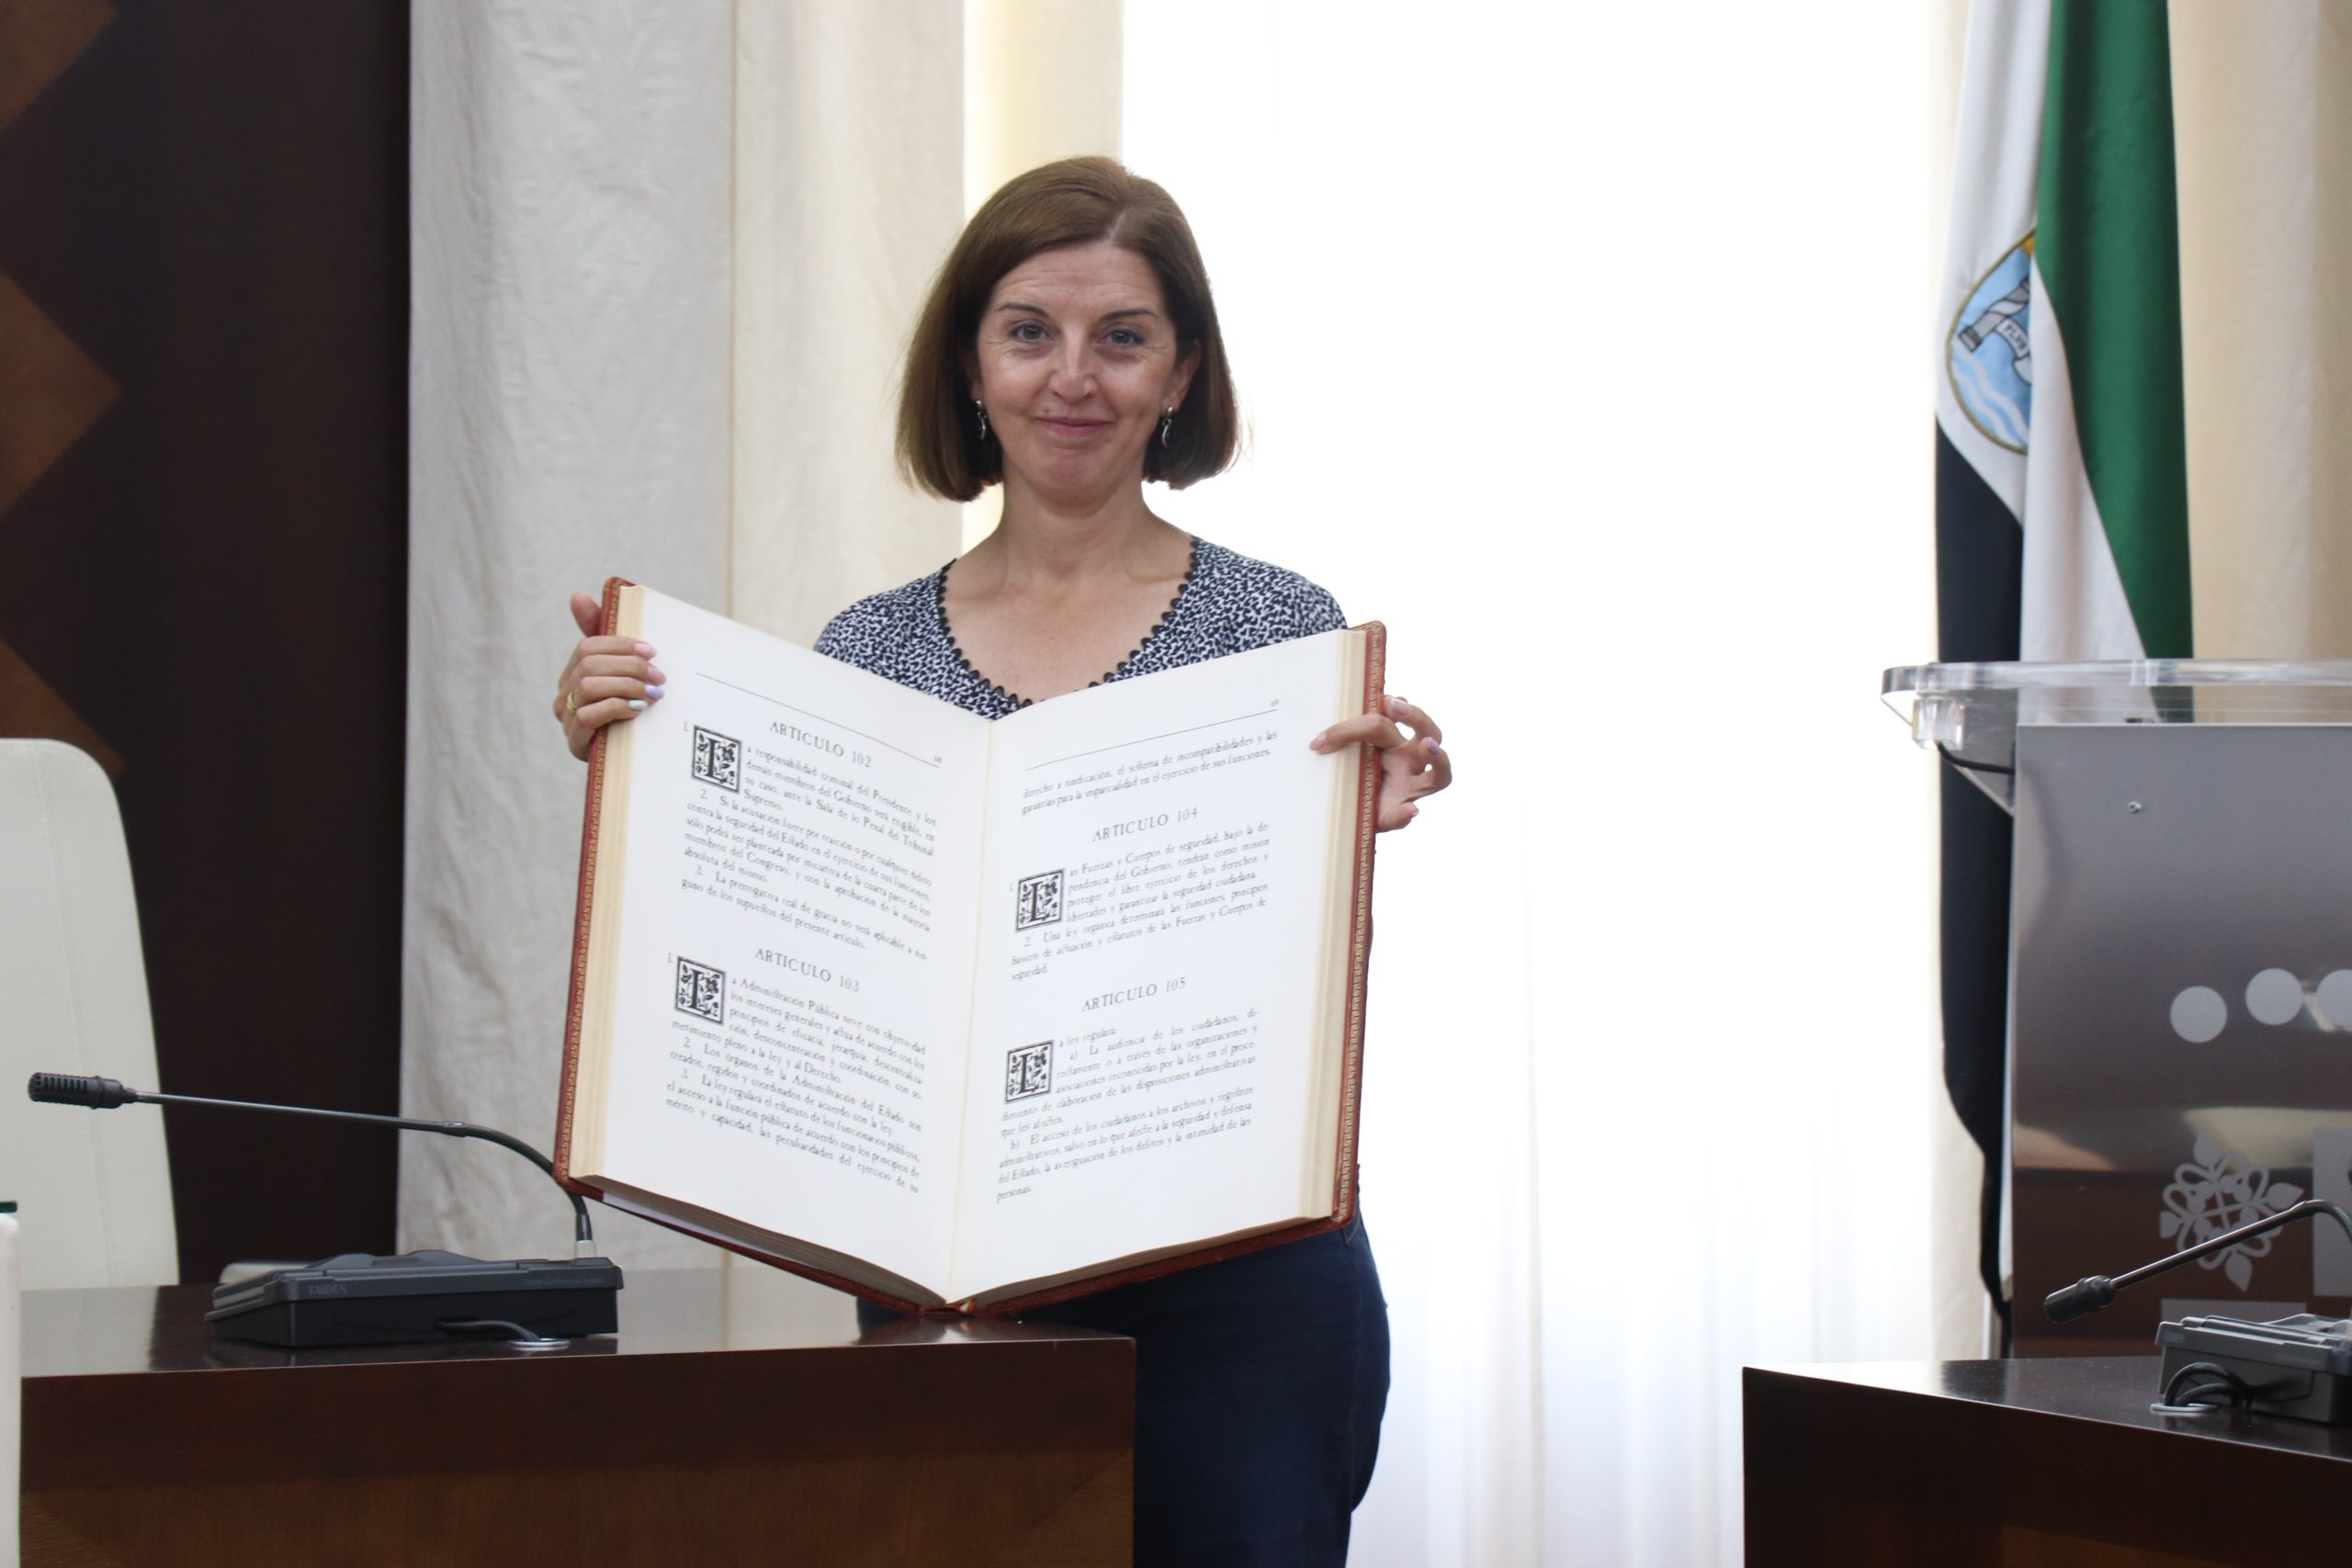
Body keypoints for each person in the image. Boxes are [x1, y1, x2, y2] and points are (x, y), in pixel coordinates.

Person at [554, 156, 1453, 1567]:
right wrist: (640, 750)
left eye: (1123, 336)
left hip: (1249, 1290)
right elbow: (805, 957)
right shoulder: (864, 653)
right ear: (971, 364)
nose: (1072, 377)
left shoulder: (1282, 635)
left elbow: (1294, 992)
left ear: (1182, 371)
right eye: (1030, 331)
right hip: (961, 1297)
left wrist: (1359, 839)